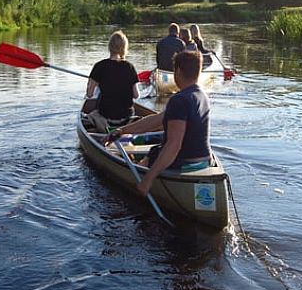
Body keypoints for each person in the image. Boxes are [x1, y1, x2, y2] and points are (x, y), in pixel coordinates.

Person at [106, 50, 211, 196]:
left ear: (178, 71)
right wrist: (123, 130)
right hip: (205, 160)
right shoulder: (202, 95)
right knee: (156, 149)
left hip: (184, 163)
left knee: (154, 153)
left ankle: (140, 176)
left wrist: (147, 180)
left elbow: (174, 145)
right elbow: (156, 120)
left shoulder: (179, 100)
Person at [86, 30, 140, 133]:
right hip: (127, 118)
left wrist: (91, 83)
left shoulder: (99, 66)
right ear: (124, 48)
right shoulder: (130, 67)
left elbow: (89, 94)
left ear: (110, 46)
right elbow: (136, 95)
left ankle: (103, 132)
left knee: (89, 117)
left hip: (105, 117)